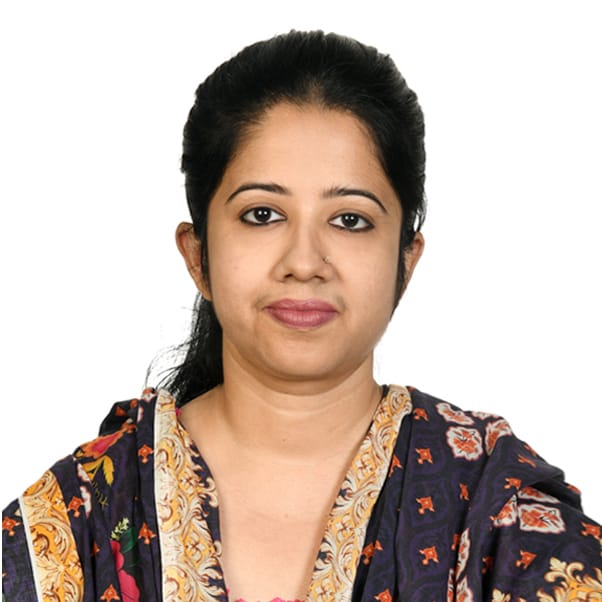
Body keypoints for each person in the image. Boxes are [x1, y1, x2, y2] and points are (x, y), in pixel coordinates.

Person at [2, 30, 600, 602]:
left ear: (406, 260)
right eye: (262, 214)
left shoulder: (498, 517)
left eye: (350, 220)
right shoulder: (78, 519)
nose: (305, 262)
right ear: (198, 255)